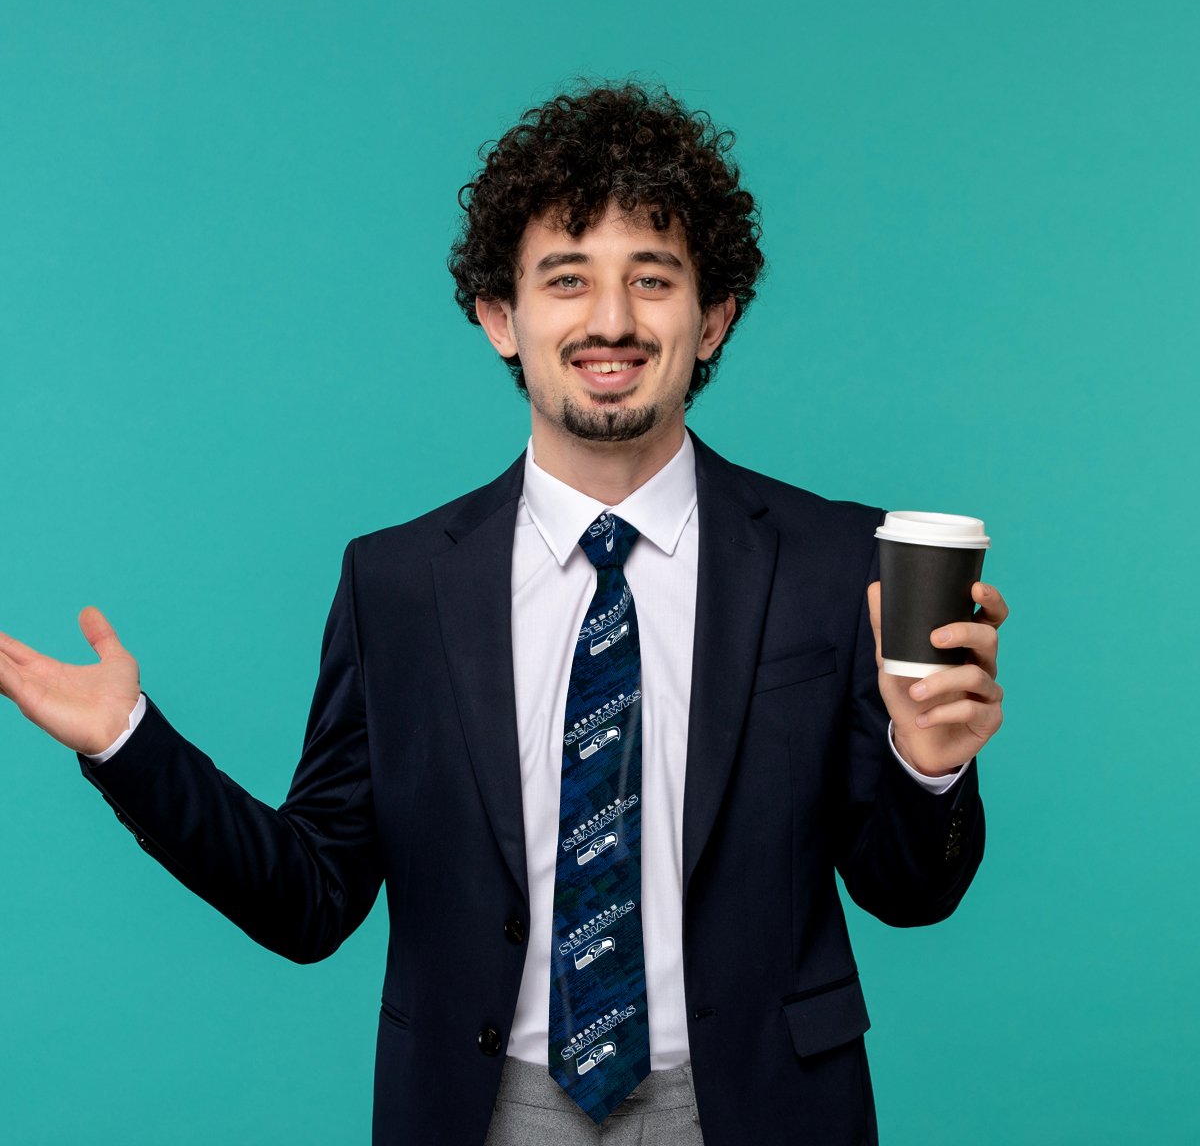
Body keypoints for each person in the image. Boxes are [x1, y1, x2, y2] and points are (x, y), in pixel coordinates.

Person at [0, 81, 1007, 1146]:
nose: (610, 322)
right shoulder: (396, 584)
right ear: (500, 317)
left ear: (713, 318)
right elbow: (312, 899)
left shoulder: (836, 560)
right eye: (565, 281)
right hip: (486, 1112)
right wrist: (128, 742)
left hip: (759, 1105)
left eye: (652, 281)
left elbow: (909, 892)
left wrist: (930, 764)